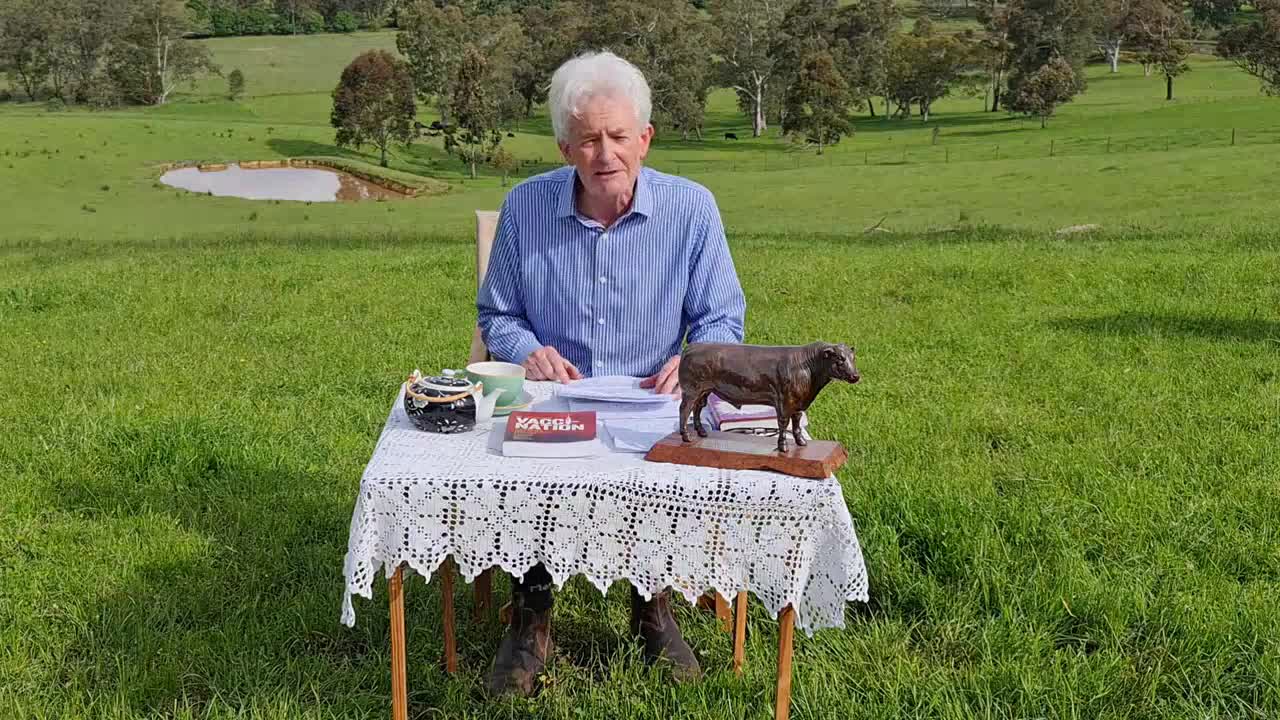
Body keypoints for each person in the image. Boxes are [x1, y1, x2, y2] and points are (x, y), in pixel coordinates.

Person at [476, 49, 747, 697]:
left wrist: (695, 361)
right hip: (557, 395)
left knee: (671, 458)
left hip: (653, 399)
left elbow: (722, 318)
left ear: (645, 139)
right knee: (523, 459)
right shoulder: (525, 206)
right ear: (565, 146)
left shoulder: (693, 210)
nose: (605, 154)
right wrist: (526, 351)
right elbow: (498, 315)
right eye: (588, 139)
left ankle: (652, 608)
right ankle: (531, 619)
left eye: (619, 137)